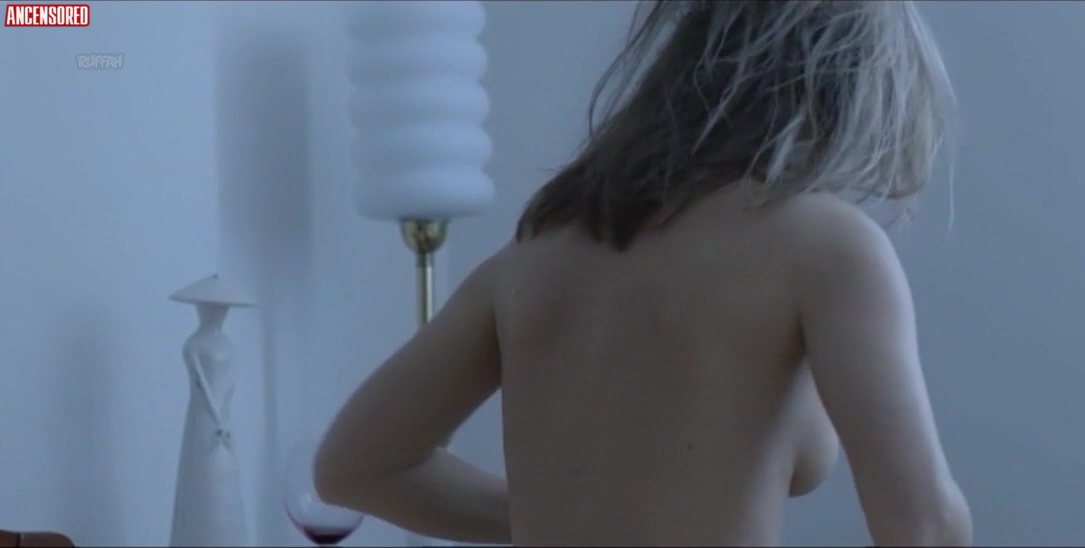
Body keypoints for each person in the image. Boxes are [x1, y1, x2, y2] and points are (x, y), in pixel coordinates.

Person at [313, 1, 972, 546]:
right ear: (847, 91)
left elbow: (356, 467)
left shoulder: (538, 251)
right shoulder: (827, 247)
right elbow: (922, 525)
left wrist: (564, 519)